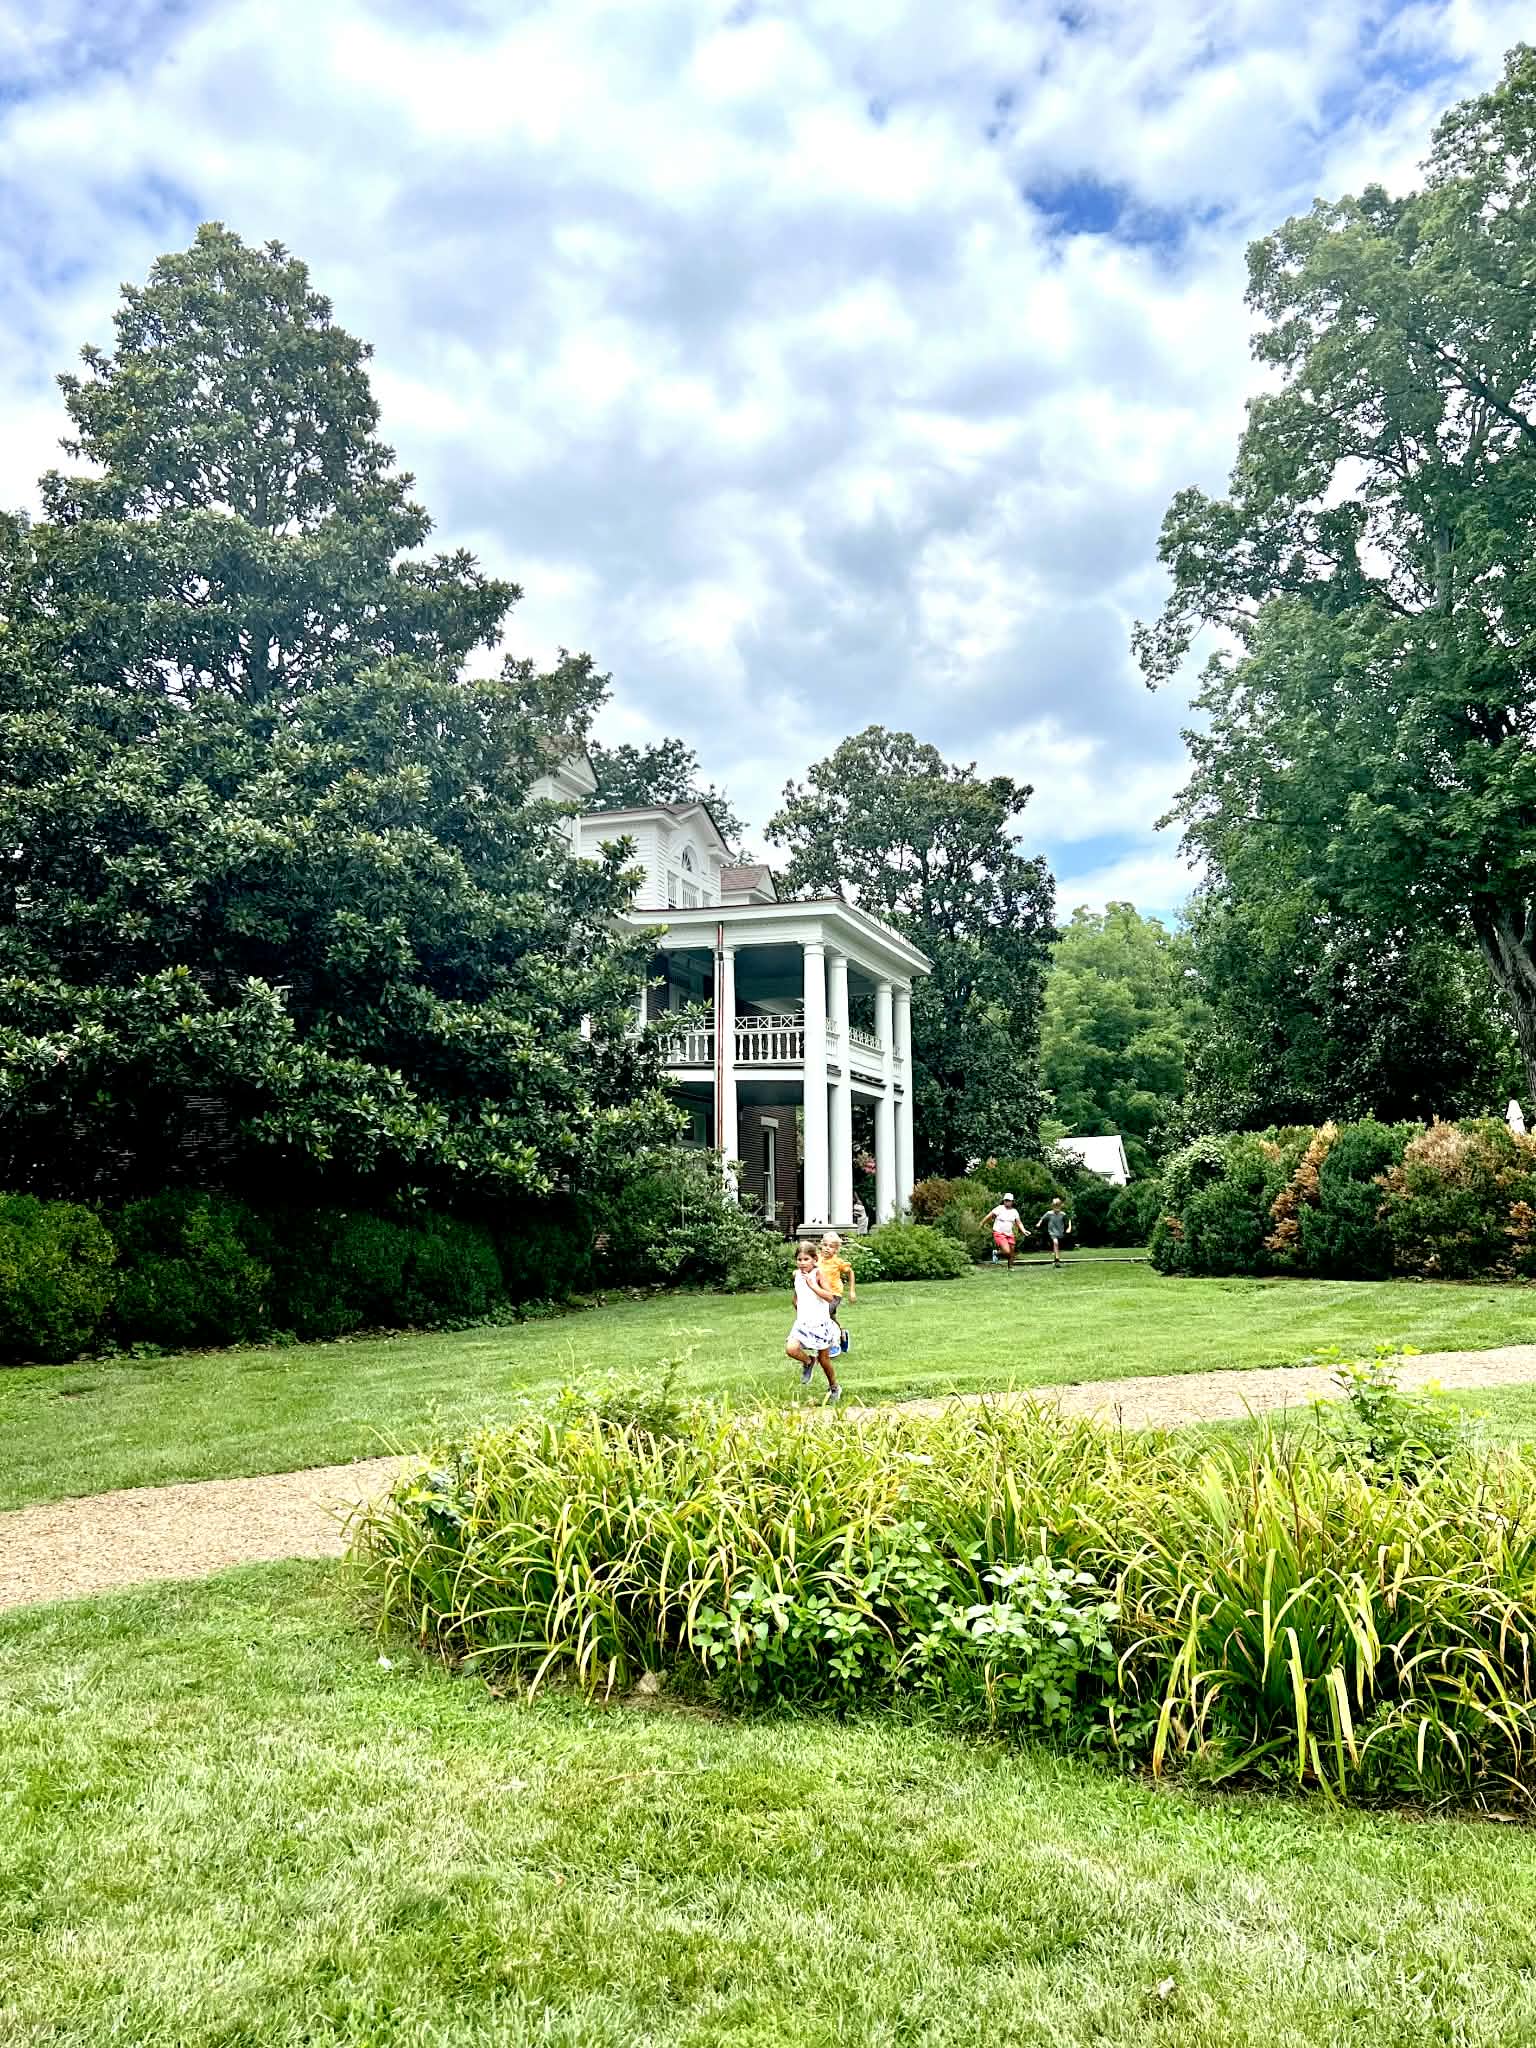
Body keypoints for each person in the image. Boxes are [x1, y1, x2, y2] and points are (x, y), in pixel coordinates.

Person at [787, 1242, 842, 1402]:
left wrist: (813, 1286)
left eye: (806, 1259)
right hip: (803, 1323)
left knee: (824, 1360)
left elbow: (830, 1297)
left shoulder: (818, 1274)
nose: (802, 1263)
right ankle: (809, 1362)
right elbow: (797, 1295)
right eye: (799, 1259)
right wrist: (797, 1305)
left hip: (820, 1324)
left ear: (814, 1259)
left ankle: (834, 1387)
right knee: (791, 1349)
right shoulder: (796, 1275)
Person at [818, 1231, 857, 1354]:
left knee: (823, 1315)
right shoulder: (816, 1260)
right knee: (831, 1317)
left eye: (831, 1247)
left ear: (836, 1250)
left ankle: (833, 1344)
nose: (827, 1249)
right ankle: (842, 1335)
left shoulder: (837, 1262)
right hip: (821, 1294)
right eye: (825, 1245)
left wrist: (852, 1291)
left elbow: (850, 1272)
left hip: (834, 1294)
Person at [981, 1192, 1023, 1269]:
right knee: (1007, 1251)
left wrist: (1023, 1230)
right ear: (1003, 1201)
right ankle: (996, 1253)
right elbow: (989, 1216)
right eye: (1005, 1200)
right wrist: (982, 1224)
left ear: (1012, 1202)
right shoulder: (999, 1208)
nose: (1007, 1202)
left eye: (1009, 1200)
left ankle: (1010, 1267)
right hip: (999, 1233)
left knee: (1012, 1251)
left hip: (1009, 1234)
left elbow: (1019, 1222)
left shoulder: (1014, 1211)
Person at [1036, 1194, 1072, 1267]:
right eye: (1055, 1207)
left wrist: (1069, 1228)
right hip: (1052, 1232)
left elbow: (1069, 1221)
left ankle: (1055, 1260)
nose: (1056, 1208)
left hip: (1060, 1232)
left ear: (1060, 1206)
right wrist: (1039, 1223)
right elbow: (1042, 1218)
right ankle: (1057, 1259)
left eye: (1058, 1206)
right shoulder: (1049, 1213)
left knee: (1057, 1246)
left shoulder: (1063, 1214)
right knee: (1055, 1243)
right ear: (1052, 1206)